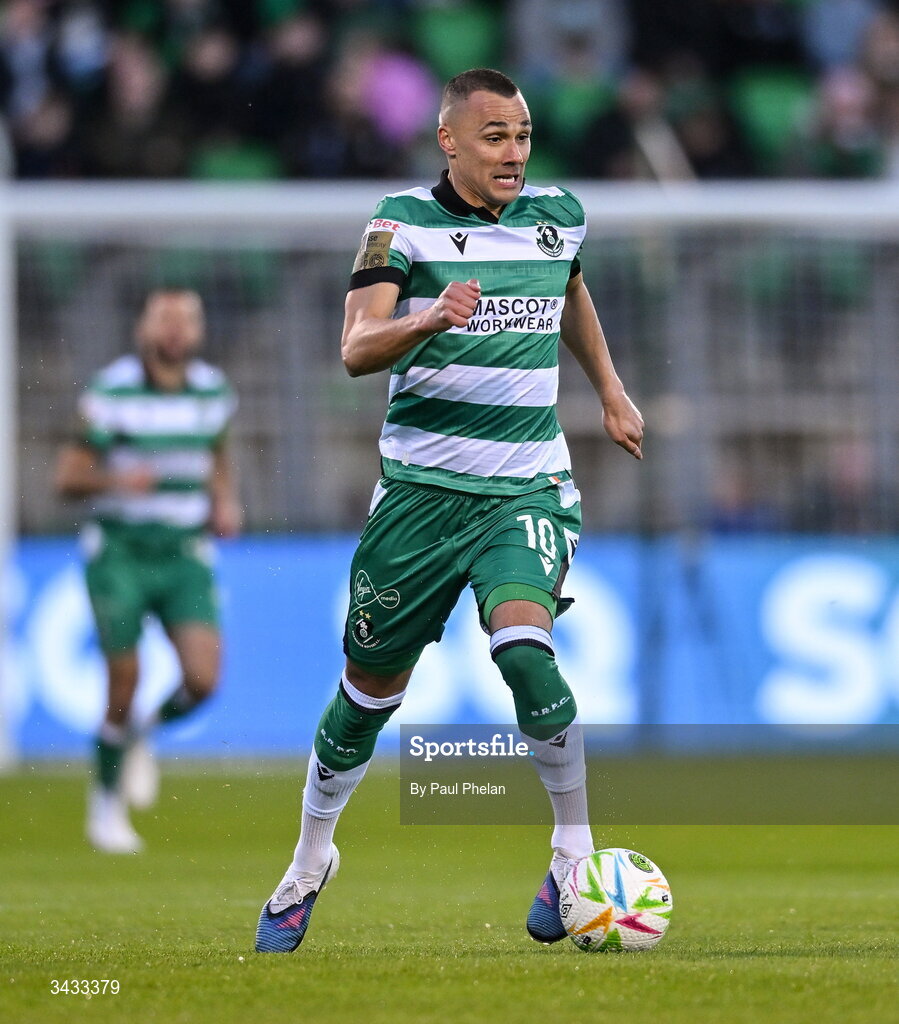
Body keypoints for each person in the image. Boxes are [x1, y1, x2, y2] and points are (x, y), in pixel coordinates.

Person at [254, 67, 643, 952]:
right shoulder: (399, 223)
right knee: (364, 695)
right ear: (450, 141)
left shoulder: (559, 214)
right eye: (495, 136)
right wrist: (427, 319)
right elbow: (356, 349)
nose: (514, 152)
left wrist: (612, 393)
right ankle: (310, 860)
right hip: (420, 499)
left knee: (524, 648)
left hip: (526, 487)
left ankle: (571, 855)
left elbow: (568, 288)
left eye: (523, 134)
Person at [55, 288, 241, 853]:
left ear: (199, 330)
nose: (176, 329)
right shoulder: (112, 392)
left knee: (204, 681)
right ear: (143, 328)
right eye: (165, 318)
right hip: (122, 551)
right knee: (124, 680)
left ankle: (143, 733)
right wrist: (115, 481)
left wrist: (225, 501)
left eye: (187, 318)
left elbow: (218, 458)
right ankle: (106, 805)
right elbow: (66, 478)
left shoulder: (213, 392)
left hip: (184, 551)